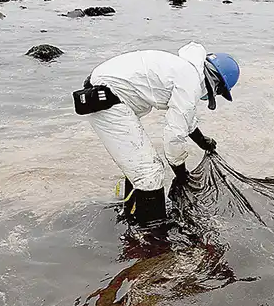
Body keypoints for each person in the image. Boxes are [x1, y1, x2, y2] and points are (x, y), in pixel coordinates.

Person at [76, 42, 240, 227]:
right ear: (216, 82)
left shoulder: (186, 71)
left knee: (140, 165)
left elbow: (186, 119)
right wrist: (182, 174)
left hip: (108, 94)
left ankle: (131, 215)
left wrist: (203, 142)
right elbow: (174, 136)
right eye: (219, 92)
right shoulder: (190, 82)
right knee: (149, 173)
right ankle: (152, 240)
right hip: (106, 100)